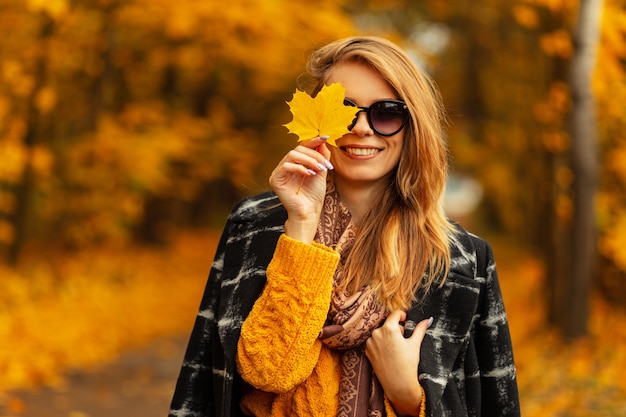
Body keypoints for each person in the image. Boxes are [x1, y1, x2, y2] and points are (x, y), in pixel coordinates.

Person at [169, 36, 520, 417]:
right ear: (319, 118)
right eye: (344, 110)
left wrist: (407, 395)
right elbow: (252, 375)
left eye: (387, 113)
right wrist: (301, 228)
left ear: (412, 126)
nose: (362, 128)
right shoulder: (253, 227)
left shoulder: (462, 260)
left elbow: (494, 403)